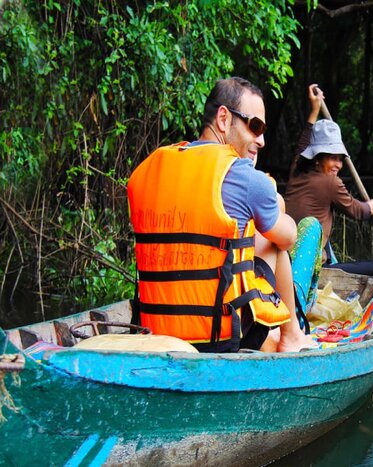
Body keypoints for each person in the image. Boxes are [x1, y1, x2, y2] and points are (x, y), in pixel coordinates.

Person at [127, 76, 314, 353]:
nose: (261, 140)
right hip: (220, 335)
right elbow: (287, 238)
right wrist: (276, 202)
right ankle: (292, 337)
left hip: (155, 327)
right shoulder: (246, 176)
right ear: (224, 119)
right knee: (274, 241)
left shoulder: (149, 169)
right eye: (255, 126)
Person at [284, 84, 373, 281]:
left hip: (286, 259)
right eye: (332, 158)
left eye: (340, 158)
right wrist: (369, 207)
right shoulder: (331, 182)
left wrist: (315, 109)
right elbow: (356, 210)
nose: (338, 164)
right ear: (317, 158)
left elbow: (303, 141)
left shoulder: (297, 169)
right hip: (308, 266)